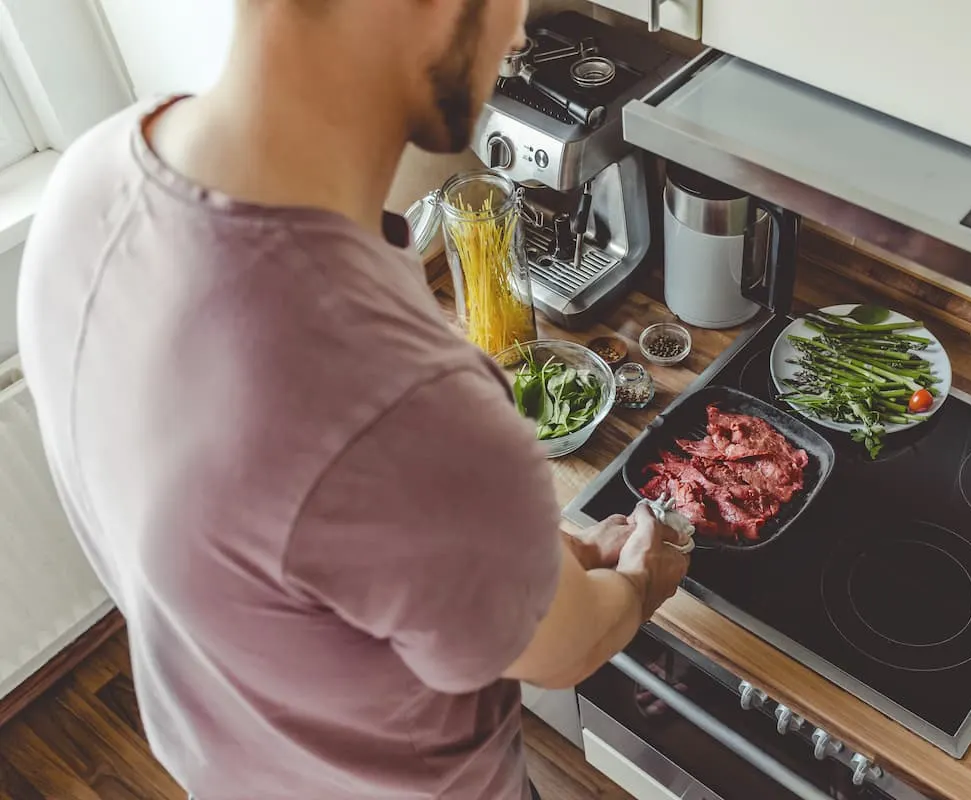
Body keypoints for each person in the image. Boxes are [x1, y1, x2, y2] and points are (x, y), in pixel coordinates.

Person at [16, 1, 691, 798]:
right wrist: (641, 578)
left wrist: (512, 555)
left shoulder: (90, 182)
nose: (516, 37)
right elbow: (565, 648)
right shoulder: (406, 401)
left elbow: (304, 553)